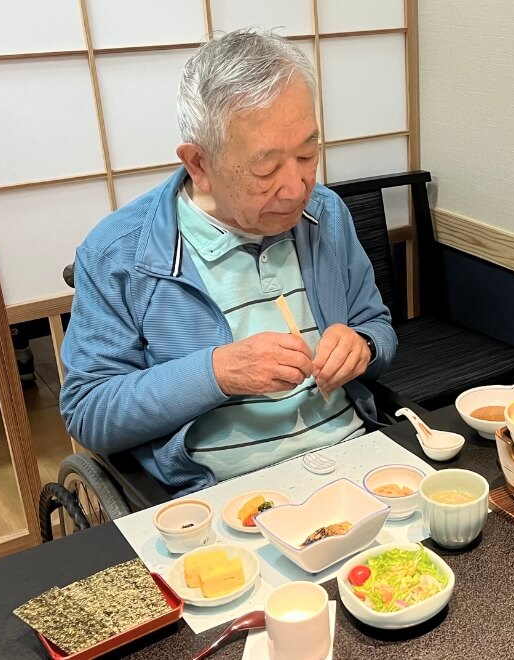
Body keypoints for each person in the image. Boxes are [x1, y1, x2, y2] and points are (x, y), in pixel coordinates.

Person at [59, 30, 397, 496]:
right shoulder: (121, 252)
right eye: (266, 168)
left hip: (352, 465)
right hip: (227, 500)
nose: (297, 188)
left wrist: (363, 345)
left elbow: (376, 325)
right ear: (198, 163)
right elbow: (89, 411)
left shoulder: (326, 215)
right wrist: (216, 373)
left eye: (306, 153)